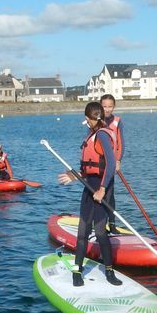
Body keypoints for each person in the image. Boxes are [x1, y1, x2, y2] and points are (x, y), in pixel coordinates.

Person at [57, 101, 122, 287]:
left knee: (101, 232)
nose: (86, 121)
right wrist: (74, 176)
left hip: (102, 187)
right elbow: (88, 168)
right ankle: (77, 271)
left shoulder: (102, 135)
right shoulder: (92, 134)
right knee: (83, 231)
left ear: (89, 118)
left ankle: (109, 271)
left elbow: (110, 164)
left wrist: (102, 190)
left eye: (86, 119)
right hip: (89, 187)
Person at [100, 93, 124, 233]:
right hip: (98, 164)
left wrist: (118, 160)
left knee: (110, 194)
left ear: (114, 107)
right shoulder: (96, 120)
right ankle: (100, 224)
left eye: (110, 106)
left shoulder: (117, 121)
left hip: (111, 163)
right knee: (99, 193)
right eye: (104, 106)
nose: (107, 109)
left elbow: (121, 143)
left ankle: (112, 224)